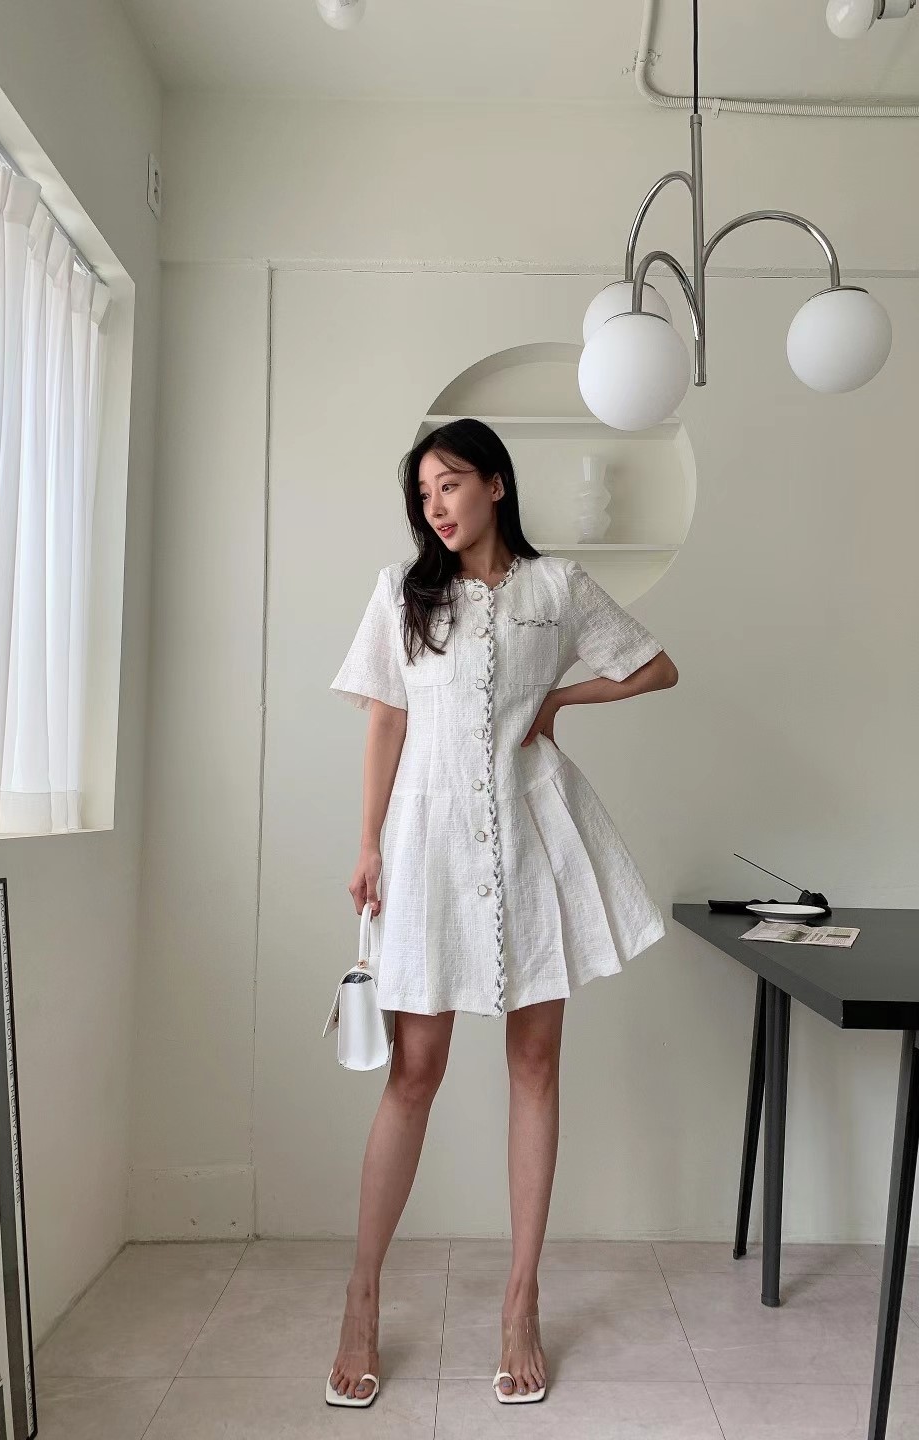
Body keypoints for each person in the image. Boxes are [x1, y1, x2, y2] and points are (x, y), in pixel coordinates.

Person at [325, 418, 678, 1407]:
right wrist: (367, 844)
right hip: (428, 843)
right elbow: (387, 718)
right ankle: (361, 1298)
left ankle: (522, 1302)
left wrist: (559, 702)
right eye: (422, 493)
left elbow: (655, 665)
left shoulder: (556, 588)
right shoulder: (403, 594)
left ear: (495, 483)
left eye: (449, 485)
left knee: (535, 1065)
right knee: (414, 1070)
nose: (434, 506)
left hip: (530, 842)